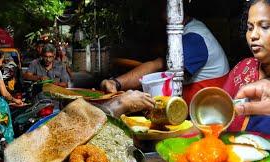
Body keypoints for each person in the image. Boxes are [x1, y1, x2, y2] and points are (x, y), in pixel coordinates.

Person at [100, 1, 229, 105]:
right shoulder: (189, 29)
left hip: (206, 110)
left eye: (160, 10)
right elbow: (157, 64)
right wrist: (116, 83)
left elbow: (157, 66)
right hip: (196, 104)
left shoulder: (194, 38)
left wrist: (117, 83)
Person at [223, 0, 270, 135]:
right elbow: (218, 110)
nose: (253, 35)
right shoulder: (244, 68)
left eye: (265, 26)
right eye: (250, 28)